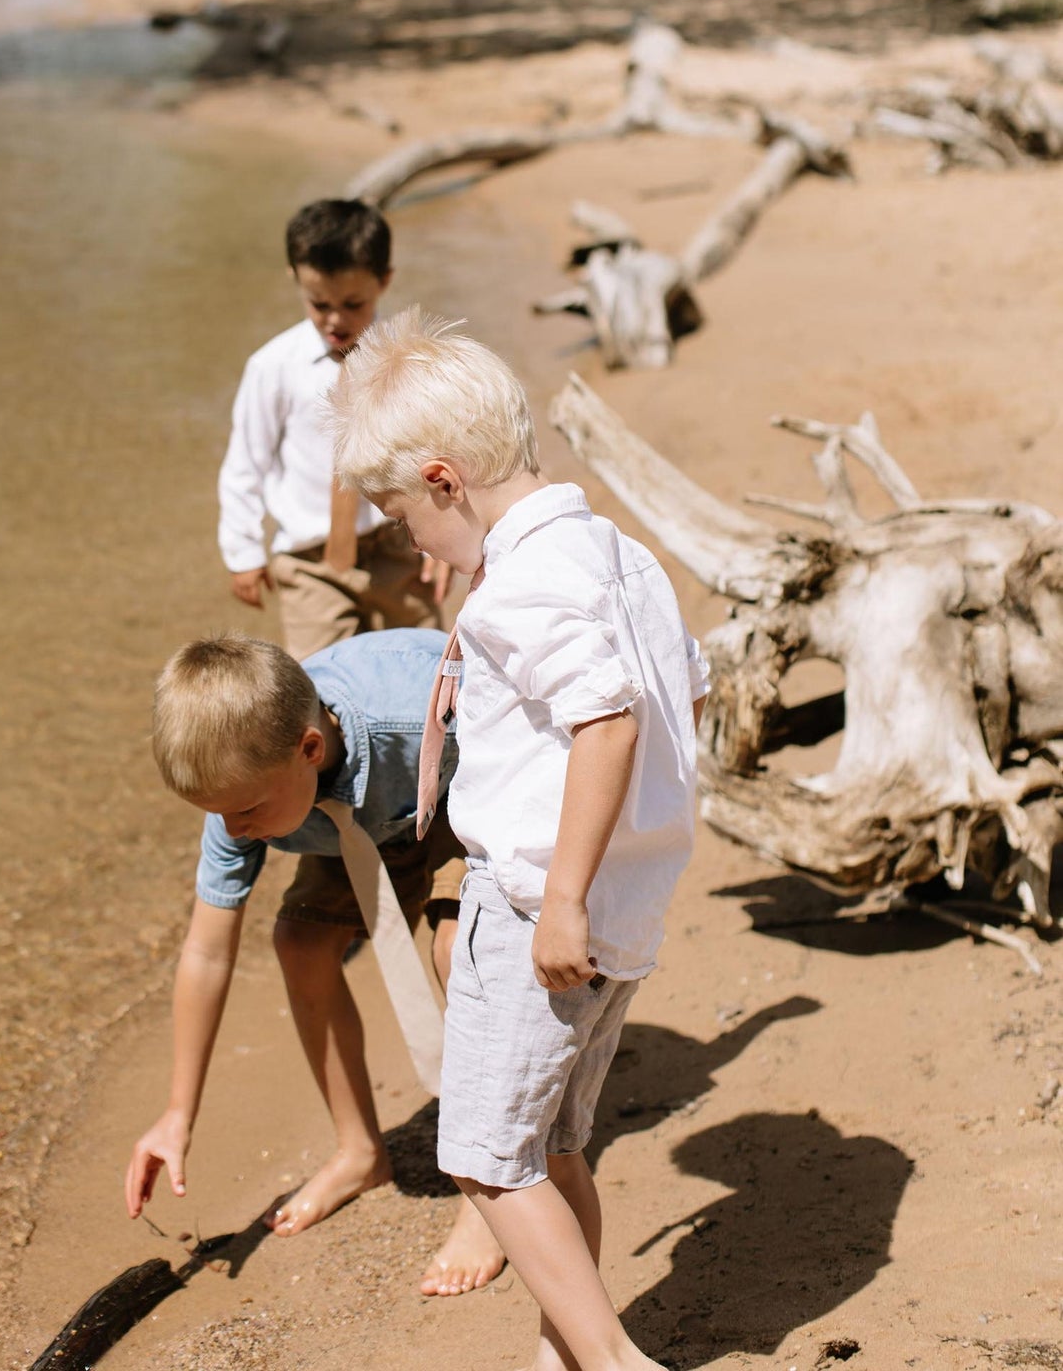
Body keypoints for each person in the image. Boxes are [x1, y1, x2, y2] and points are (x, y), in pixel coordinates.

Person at [331, 310, 709, 1371]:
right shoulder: (613, 553)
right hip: (621, 906)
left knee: (486, 1157)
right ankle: (564, 1347)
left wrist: (561, 898)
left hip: (541, 903)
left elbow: (605, 718)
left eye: (405, 517)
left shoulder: (526, 587)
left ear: (444, 480)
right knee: (548, 1143)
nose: (413, 544)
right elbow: (679, 687)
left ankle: (611, 1359)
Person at [124, 627, 504, 1297]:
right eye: (217, 815)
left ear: (308, 748)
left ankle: (494, 1185)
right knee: (300, 943)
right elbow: (207, 949)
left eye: (243, 812)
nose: (232, 830)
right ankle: (360, 1150)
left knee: (457, 951)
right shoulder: (246, 787)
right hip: (357, 825)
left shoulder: (417, 705)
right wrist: (178, 1112)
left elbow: (528, 747)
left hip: (461, 788)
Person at [217, 198, 446, 658]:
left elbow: (438, 455)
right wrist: (243, 553)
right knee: (319, 684)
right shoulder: (272, 367)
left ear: (384, 281)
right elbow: (246, 462)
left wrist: (445, 542)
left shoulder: (410, 359)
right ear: (296, 279)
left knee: (426, 668)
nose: (335, 320)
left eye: (352, 304)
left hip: (399, 551)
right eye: (319, 303)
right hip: (310, 563)